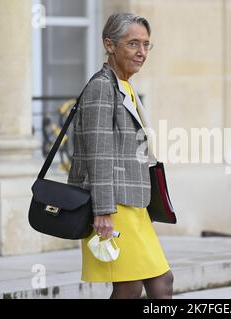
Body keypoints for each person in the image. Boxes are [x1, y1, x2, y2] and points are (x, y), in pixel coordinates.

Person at [67, 12, 173, 299]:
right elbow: (98, 152)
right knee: (139, 286)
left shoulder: (124, 85)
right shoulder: (102, 87)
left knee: (154, 283)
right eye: (133, 44)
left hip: (132, 204)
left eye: (146, 45)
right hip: (113, 205)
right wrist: (102, 211)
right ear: (110, 45)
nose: (141, 53)